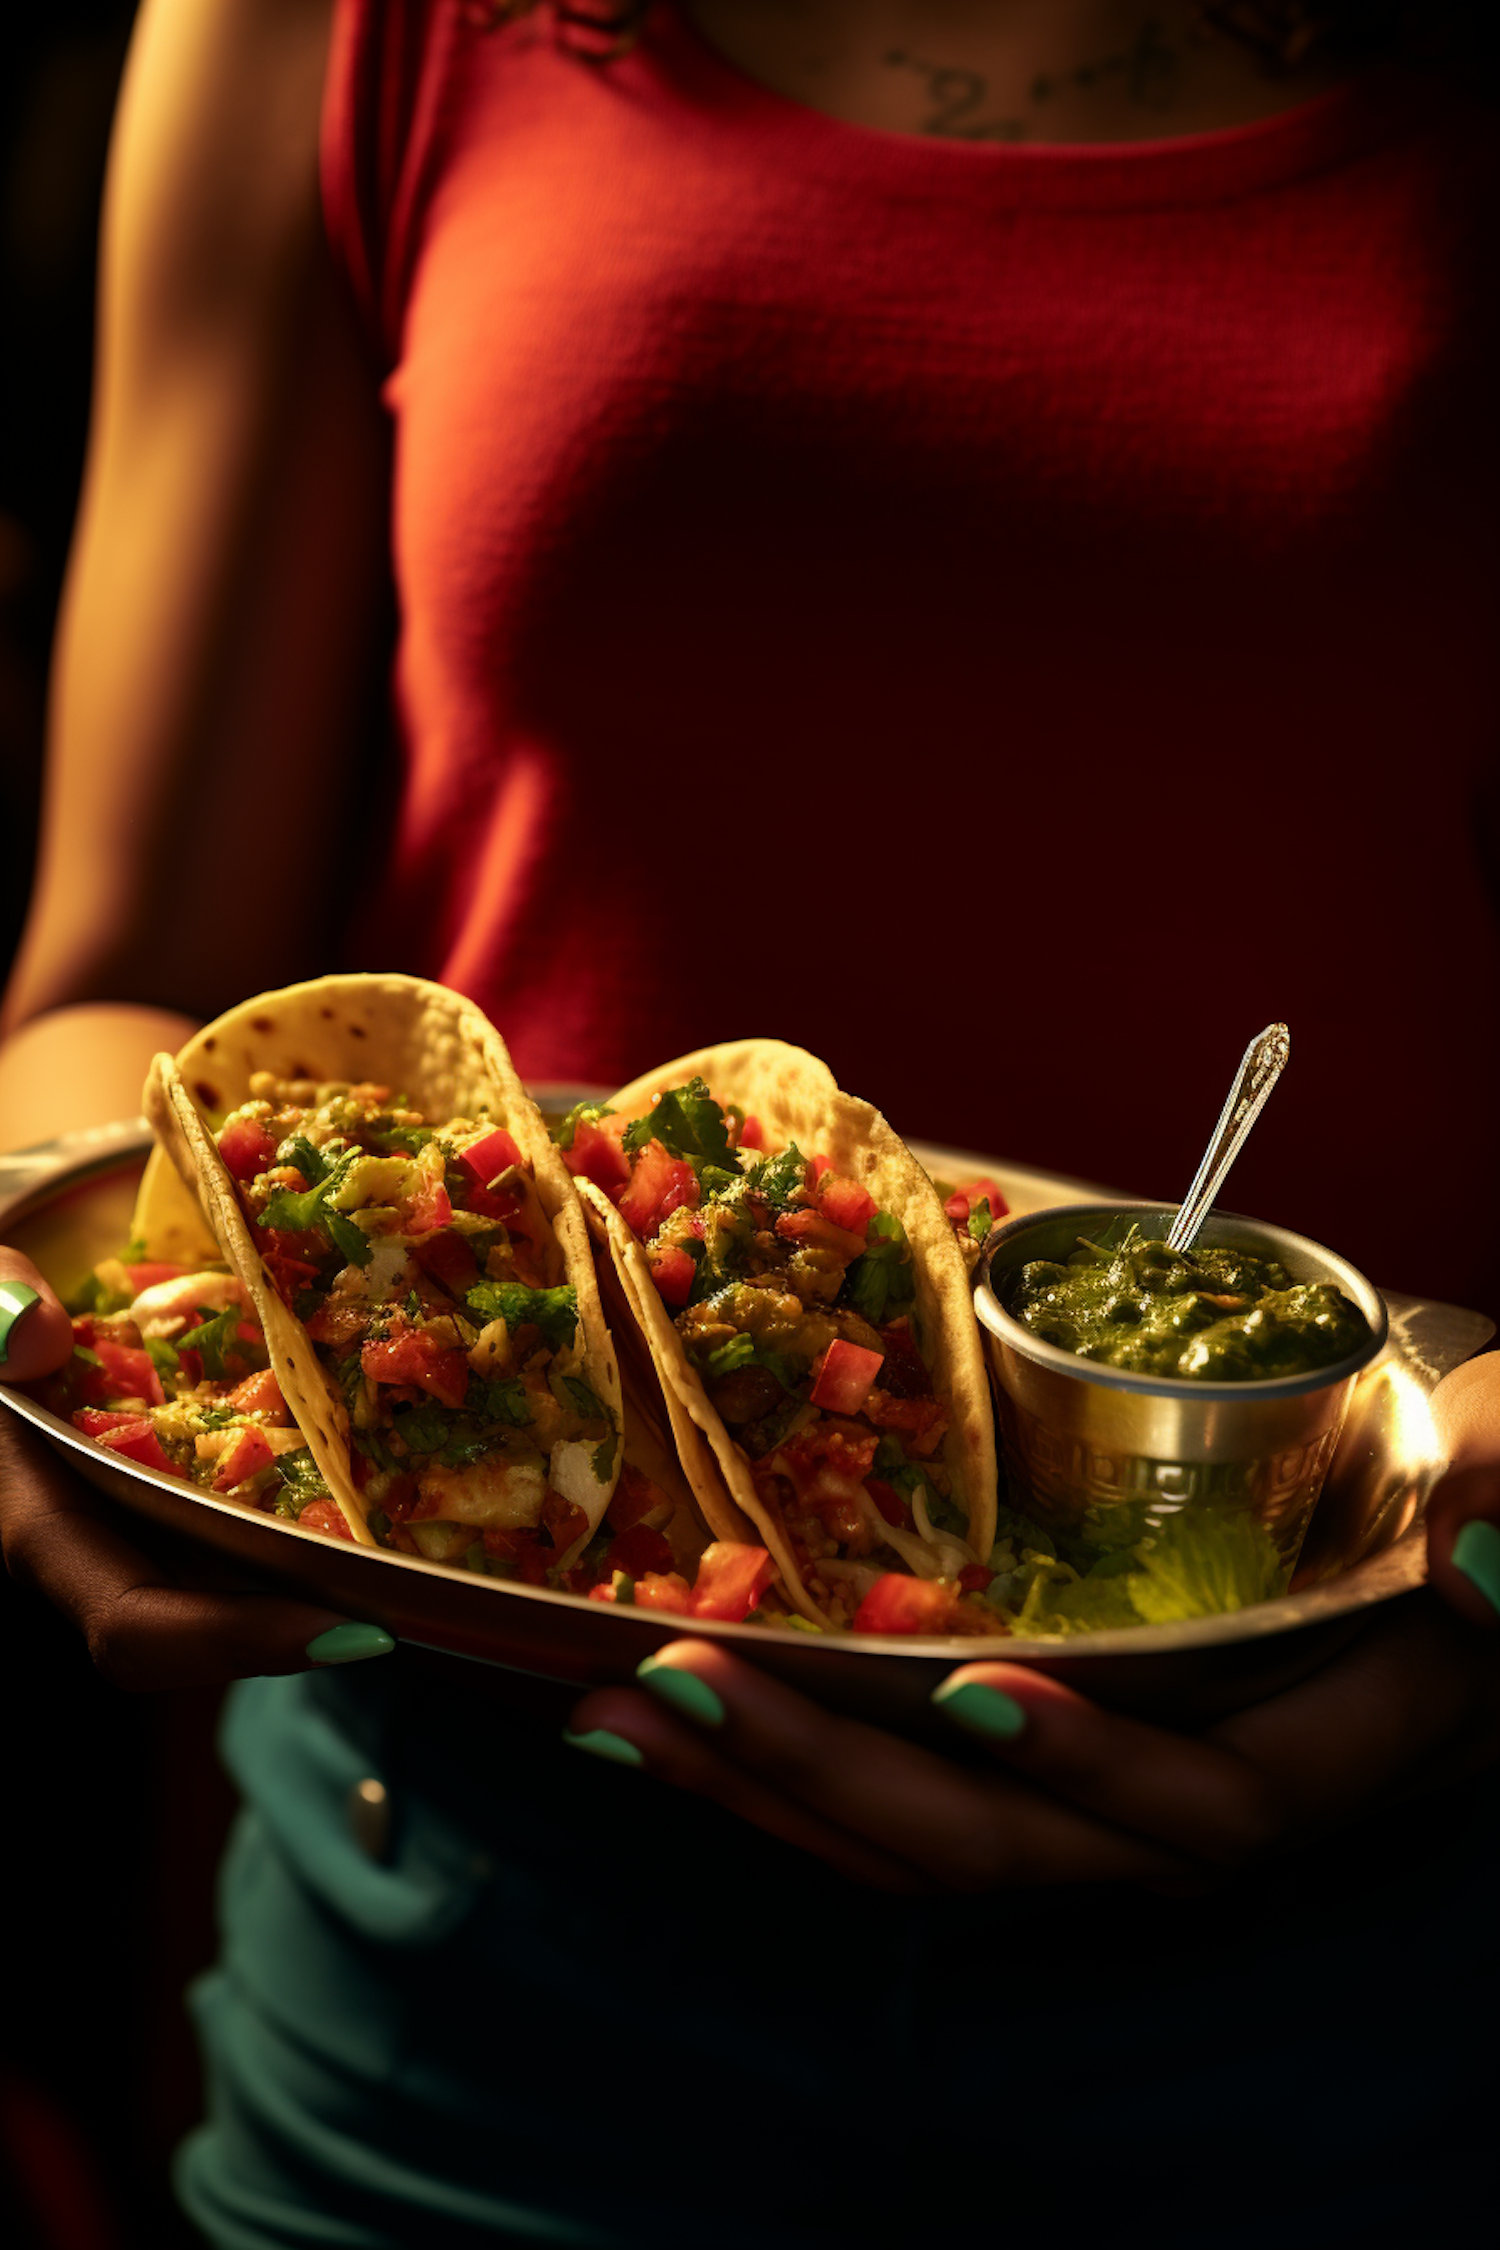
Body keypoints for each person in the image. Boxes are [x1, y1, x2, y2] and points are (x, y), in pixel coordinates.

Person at [1, 0, 1497, 2242]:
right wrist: (64, 1319)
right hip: (481, 1879)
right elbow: (107, 987)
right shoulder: (324, 26)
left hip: (1379, 1915)